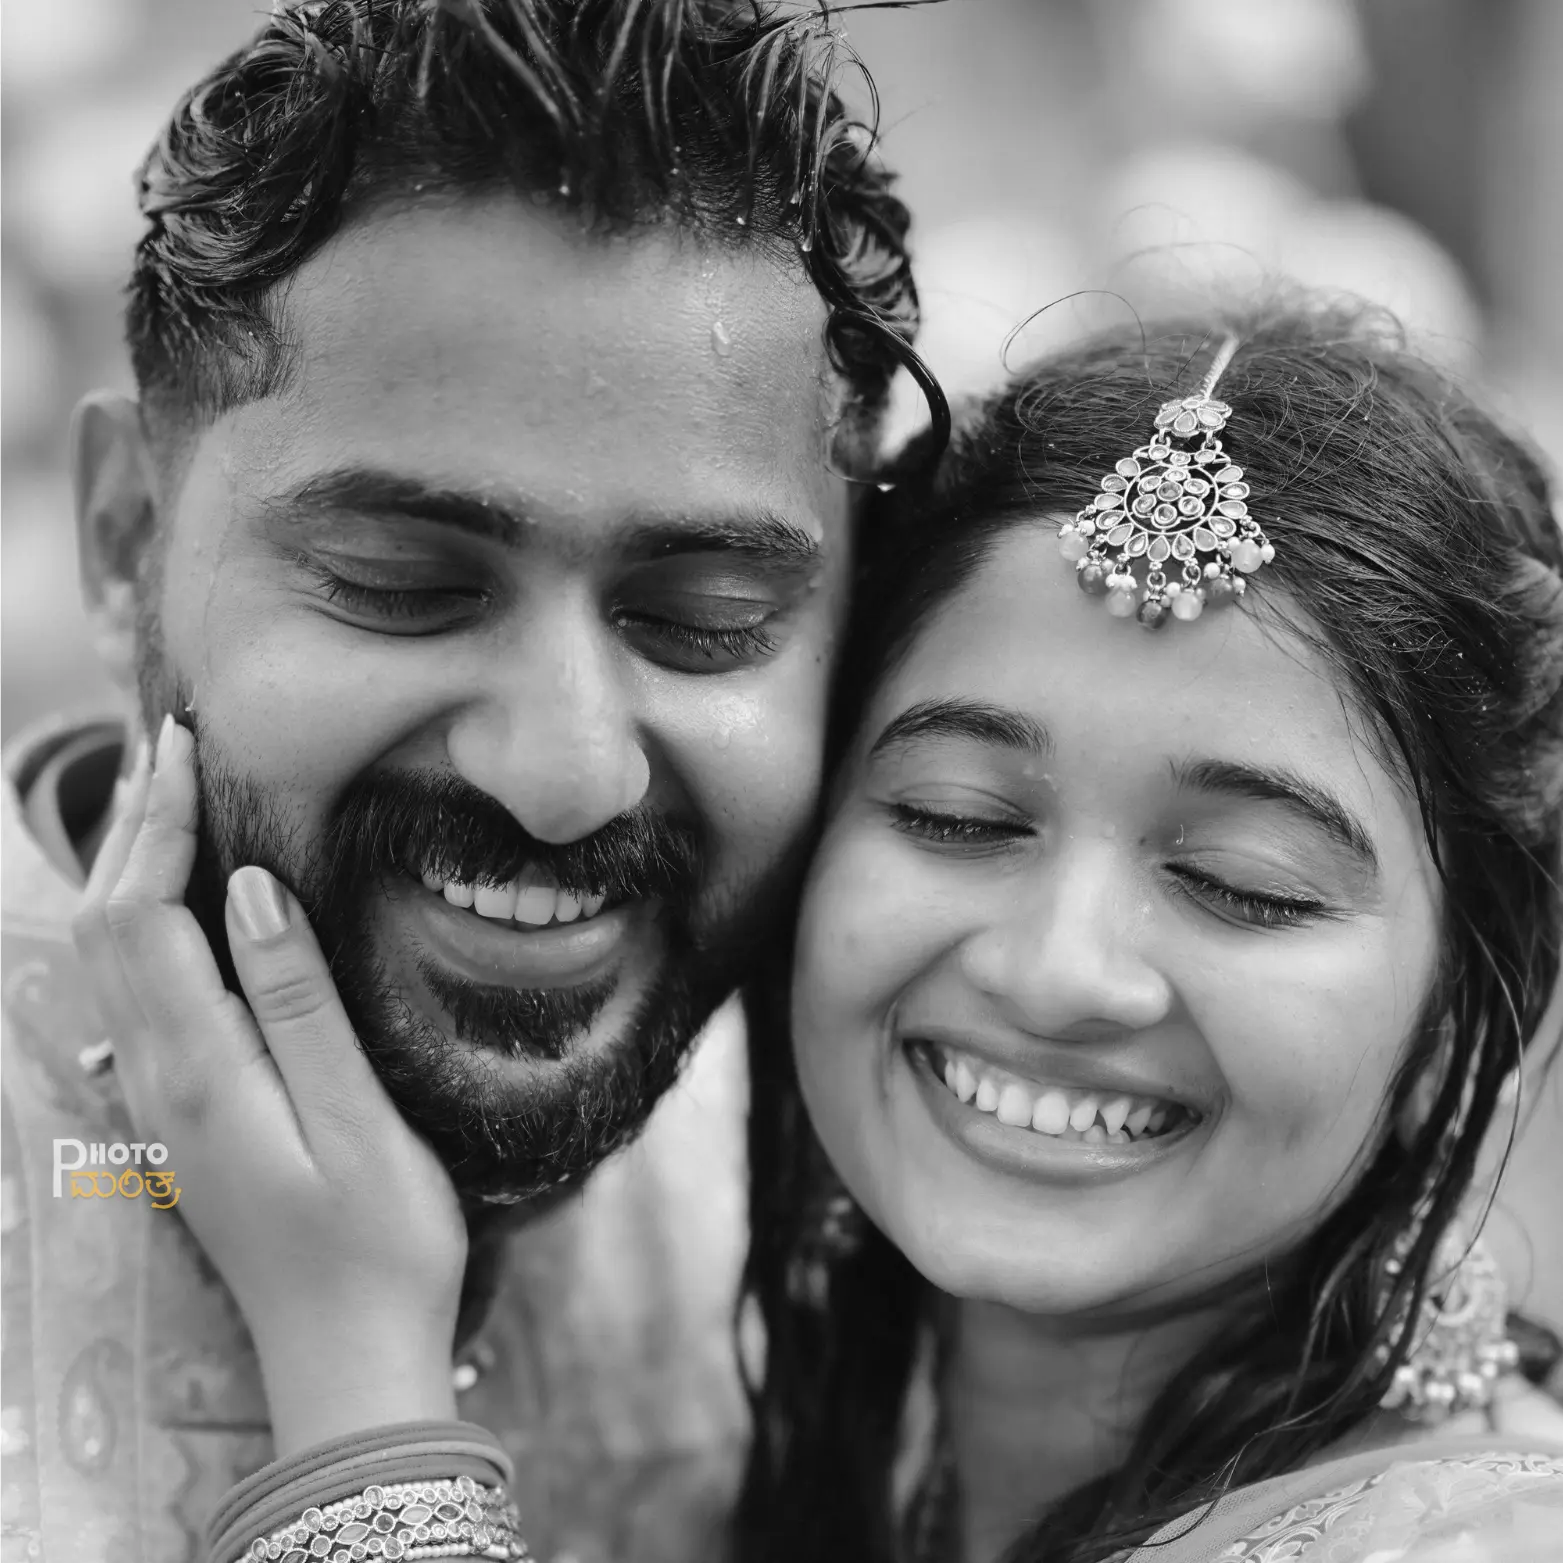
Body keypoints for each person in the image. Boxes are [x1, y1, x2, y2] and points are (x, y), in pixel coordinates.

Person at [0, 2, 942, 1558]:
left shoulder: (855, 1178)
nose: (566, 768)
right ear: (124, 544)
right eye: (398, 584)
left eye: (700, 621)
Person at [734, 304, 1563, 1560]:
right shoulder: (711, 1403)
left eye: (1245, 886)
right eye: (955, 817)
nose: (1056, 969)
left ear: (1459, 1016)